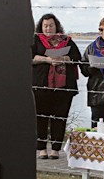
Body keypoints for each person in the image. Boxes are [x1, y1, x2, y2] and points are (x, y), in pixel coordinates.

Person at [32, 13, 82, 159]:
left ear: (56, 26)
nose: (48, 28)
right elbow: (29, 57)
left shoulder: (66, 40)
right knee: (41, 117)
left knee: (60, 118)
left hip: (63, 87)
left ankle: (55, 149)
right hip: (41, 86)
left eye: (51, 25)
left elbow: (76, 58)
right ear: (41, 26)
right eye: (45, 26)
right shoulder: (35, 40)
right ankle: (41, 149)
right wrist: (47, 60)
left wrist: (63, 58)